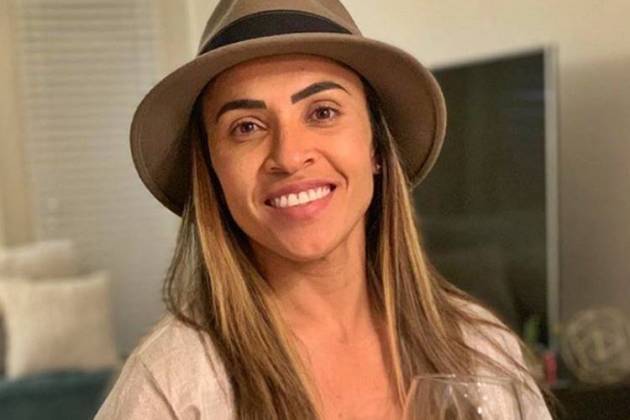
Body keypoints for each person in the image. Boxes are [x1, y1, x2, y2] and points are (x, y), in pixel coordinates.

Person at [95, 0, 553, 419]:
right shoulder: (170, 387)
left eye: (322, 112)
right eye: (247, 126)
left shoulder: (485, 353)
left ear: (376, 146)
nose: (289, 156)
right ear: (213, 171)